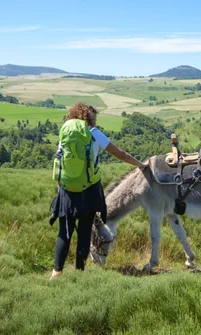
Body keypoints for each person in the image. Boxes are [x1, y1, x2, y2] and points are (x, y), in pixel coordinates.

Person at [50, 103, 146, 279]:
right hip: (89, 189)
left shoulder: (65, 132)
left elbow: (60, 159)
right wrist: (140, 165)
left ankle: (56, 272)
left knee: (64, 232)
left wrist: (61, 188)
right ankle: (79, 273)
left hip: (66, 190)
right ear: (90, 117)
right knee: (85, 231)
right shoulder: (94, 133)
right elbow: (120, 154)